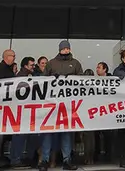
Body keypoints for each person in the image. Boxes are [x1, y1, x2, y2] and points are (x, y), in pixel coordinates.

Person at [49, 40, 84, 170]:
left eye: (67, 49)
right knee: (50, 133)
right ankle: (46, 160)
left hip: (69, 104)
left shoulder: (75, 63)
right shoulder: (52, 63)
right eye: (63, 49)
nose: (65, 50)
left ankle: (67, 160)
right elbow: (42, 79)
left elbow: (81, 80)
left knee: (66, 134)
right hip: (53, 104)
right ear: (59, 49)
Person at [0, 49, 16, 168]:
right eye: (12, 56)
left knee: (3, 133)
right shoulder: (1, 69)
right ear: (6, 57)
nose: (14, 58)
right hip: (0, 106)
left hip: (5, 106)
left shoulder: (6, 69)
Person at [10, 57, 36, 169]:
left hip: (26, 112)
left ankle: (23, 158)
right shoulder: (21, 78)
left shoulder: (27, 77)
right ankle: (16, 160)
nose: (33, 67)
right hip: (21, 113)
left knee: (27, 136)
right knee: (19, 136)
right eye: (31, 65)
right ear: (25, 66)